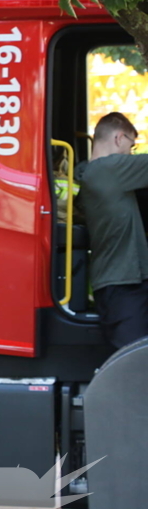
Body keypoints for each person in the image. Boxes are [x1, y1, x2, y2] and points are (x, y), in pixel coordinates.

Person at [77, 112, 148, 350]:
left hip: (112, 284)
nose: (131, 153)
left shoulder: (88, 173)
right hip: (124, 284)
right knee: (133, 364)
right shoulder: (111, 168)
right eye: (131, 145)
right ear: (119, 138)